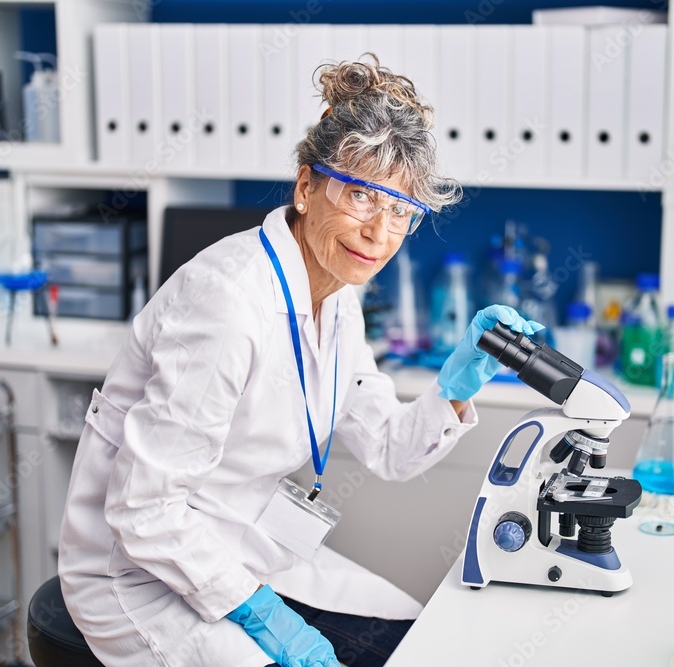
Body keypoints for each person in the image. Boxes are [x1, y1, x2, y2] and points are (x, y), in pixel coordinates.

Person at [58, 55, 543, 667]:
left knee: (420, 640)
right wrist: (258, 612)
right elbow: (143, 509)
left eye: (401, 211)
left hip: (239, 545)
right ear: (306, 187)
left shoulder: (339, 296)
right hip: (136, 576)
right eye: (361, 196)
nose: (379, 232)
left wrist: (456, 381)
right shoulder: (227, 301)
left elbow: (388, 450)